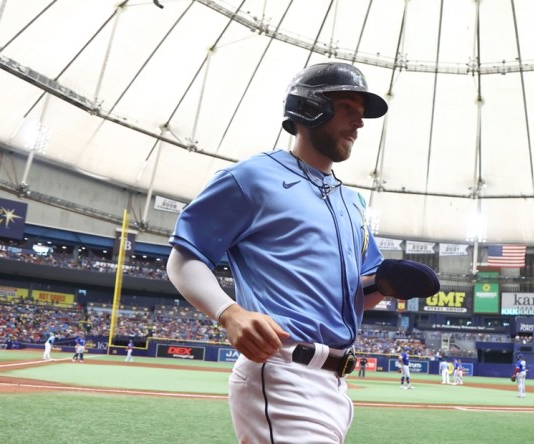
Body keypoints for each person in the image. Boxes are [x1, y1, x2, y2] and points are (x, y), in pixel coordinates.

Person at [166, 62, 439, 443]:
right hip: (282, 370)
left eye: (361, 115)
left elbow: (352, 296)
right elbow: (184, 257)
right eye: (348, 108)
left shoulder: (354, 203)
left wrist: (383, 285)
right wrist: (229, 313)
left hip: (334, 385)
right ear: (311, 107)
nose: (359, 123)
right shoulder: (252, 176)